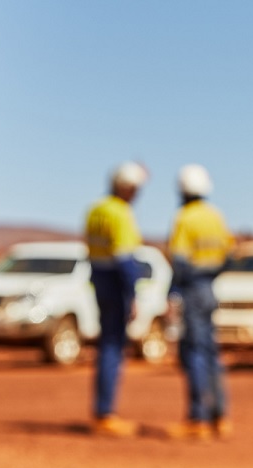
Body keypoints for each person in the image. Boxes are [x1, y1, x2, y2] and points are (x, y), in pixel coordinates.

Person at [165, 164, 235, 441]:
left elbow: (180, 263)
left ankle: (198, 418)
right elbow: (229, 256)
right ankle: (220, 416)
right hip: (210, 289)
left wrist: (174, 290)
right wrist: (210, 274)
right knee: (210, 351)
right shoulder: (215, 217)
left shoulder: (184, 218)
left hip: (193, 290)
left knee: (193, 352)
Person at [85, 161, 148, 438]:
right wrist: (132, 296)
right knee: (113, 346)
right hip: (115, 284)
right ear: (126, 187)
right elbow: (125, 261)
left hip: (99, 281)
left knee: (105, 346)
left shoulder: (95, 210)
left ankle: (102, 410)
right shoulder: (120, 213)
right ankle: (106, 413)